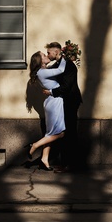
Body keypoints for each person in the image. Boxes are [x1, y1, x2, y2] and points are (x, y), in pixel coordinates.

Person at [43, 41, 83, 171]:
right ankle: (65, 163)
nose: (48, 55)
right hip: (64, 101)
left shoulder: (69, 65)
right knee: (65, 131)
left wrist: (51, 92)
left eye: (49, 53)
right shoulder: (58, 64)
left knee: (70, 131)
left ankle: (71, 165)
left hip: (70, 101)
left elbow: (66, 87)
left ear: (56, 52)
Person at [26, 51, 67, 171]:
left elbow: (54, 67)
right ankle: (35, 145)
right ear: (40, 61)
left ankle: (44, 159)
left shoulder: (42, 71)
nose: (46, 55)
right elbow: (61, 70)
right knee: (60, 133)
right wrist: (64, 57)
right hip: (54, 102)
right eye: (44, 55)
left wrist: (57, 58)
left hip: (50, 102)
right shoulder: (42, 72)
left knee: (49, 134)